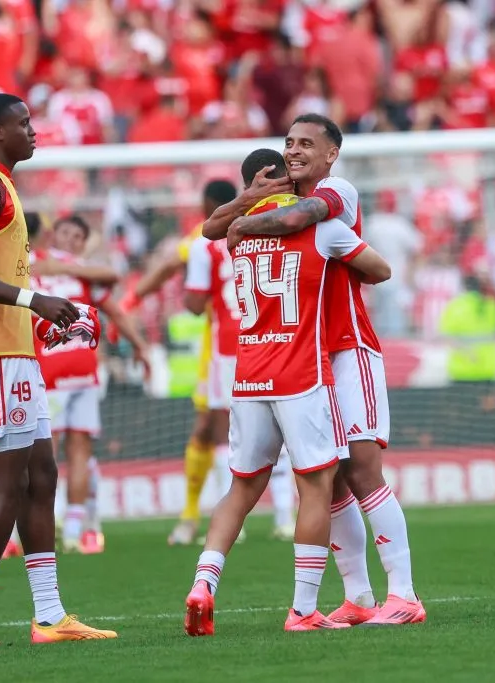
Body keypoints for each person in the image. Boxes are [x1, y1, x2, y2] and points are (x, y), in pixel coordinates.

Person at [221, 114, 426, 626]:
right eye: (289, 142)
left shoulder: (338, 192)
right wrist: (249, 203)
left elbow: (299, 219)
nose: (294, 150)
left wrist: (243, 221)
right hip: (305, 358)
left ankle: (404, 595)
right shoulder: (281, 201)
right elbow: (216, 228)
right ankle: (358, 597)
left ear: (331, 154)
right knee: (327, 481)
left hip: (349, 348)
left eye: (307, 144)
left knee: (361, 468)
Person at [0, 92, 116, 648]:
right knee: (7, 486)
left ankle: (50, 616)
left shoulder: (1, 185)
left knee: (42, 477)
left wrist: (37, 322)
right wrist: (32, 301)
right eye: (24, 123)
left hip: (12, 351)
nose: (33, 131)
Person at [184, 148, 393, 635]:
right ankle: (303, 610)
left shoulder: (237, 234)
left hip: (248, 372)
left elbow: (212, 228)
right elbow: (380, 270)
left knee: (240, 488)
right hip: (301, 373)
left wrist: (248, 200)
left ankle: (203, 585)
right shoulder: (318, 227)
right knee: (315, 486)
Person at [122, 180, 250, 546]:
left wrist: (130, 301)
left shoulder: (202, 236)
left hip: (221, 344)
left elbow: (166, 270)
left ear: (207, 203)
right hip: (247, 340)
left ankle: (203, 516)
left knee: (213, 427)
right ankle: (196, 516)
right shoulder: (259, 223)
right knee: (222, 427)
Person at [183, 170, 296, 545]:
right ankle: (284, 518)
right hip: (272, 340)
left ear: (205, 207)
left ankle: (234, 523)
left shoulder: (205, 245)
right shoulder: (273, 226)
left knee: (224, 434)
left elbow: (195, 305)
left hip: (227, 348)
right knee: (280, 428)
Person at [32, 214, 149, 554]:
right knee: (68, 452)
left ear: (83, 243)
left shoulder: (47, 266)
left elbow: (114, 303)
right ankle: (69, 529)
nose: (69, 239)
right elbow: (114, 295)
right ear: (53, 236)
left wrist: (141, 348)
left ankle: (59, 528)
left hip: (59, 365)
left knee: (56, 452)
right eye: (64, 233)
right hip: (74, 366)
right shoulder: (47, 265)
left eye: (76, 236)